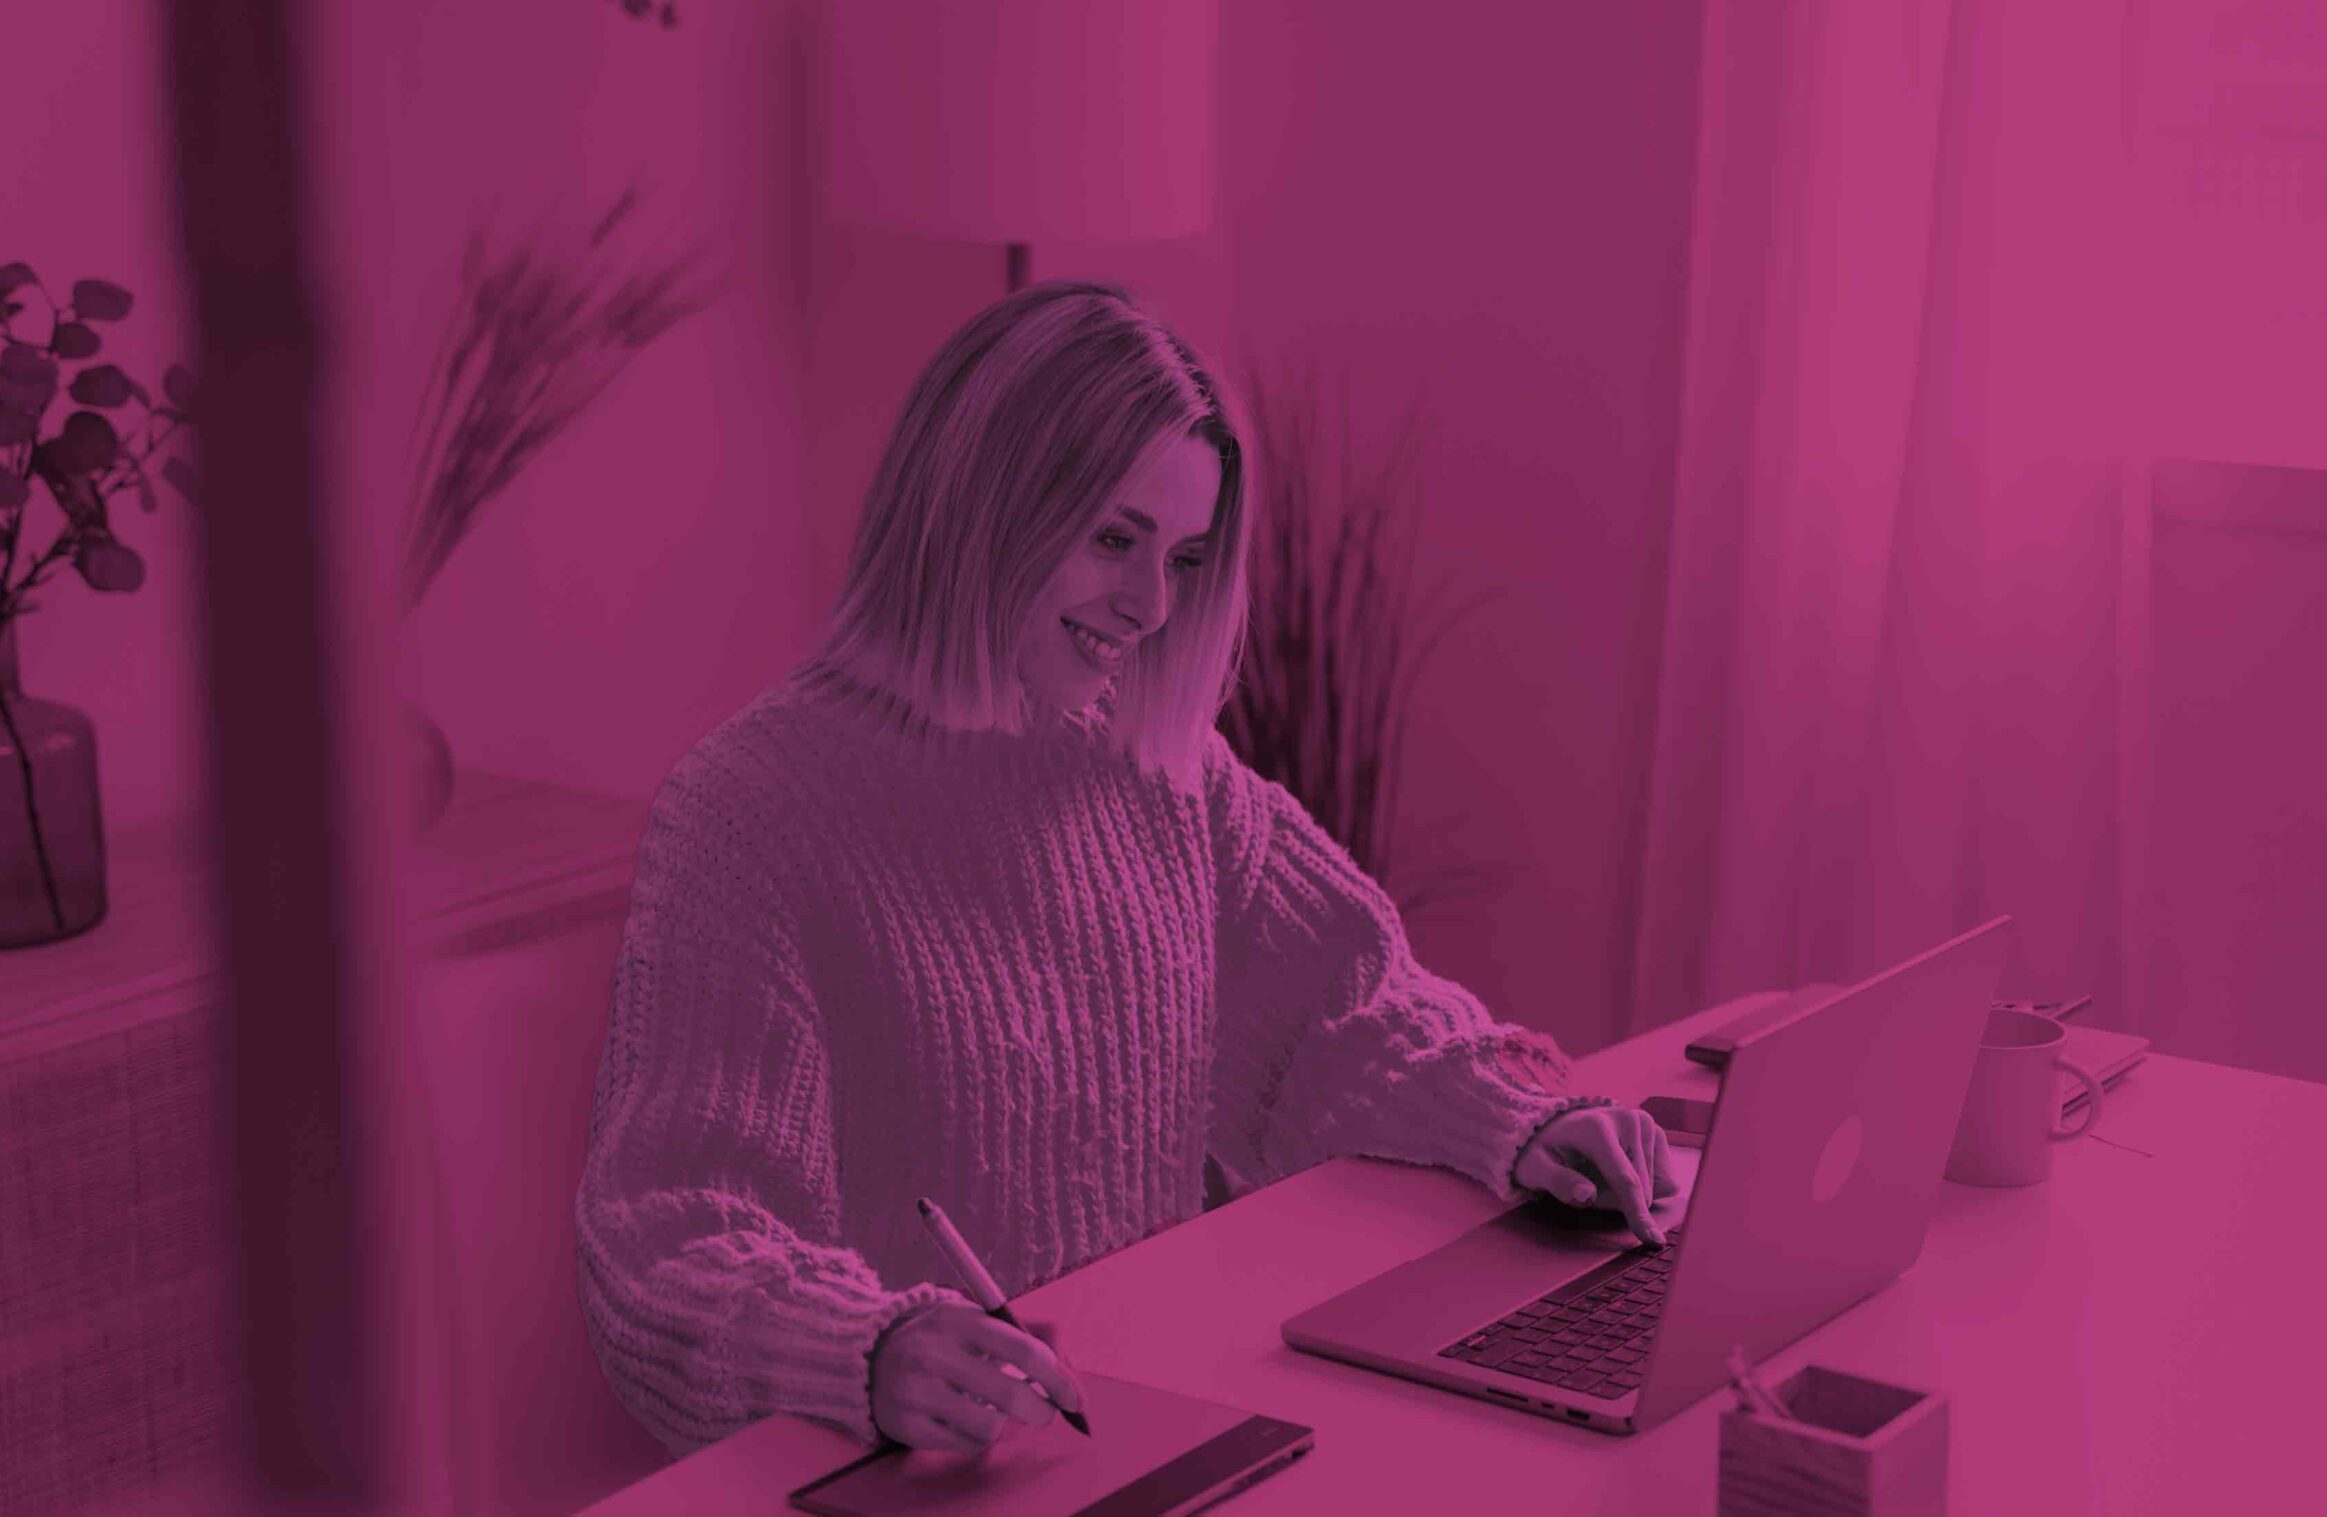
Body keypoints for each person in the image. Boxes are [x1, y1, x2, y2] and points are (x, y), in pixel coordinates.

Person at [574, 280, 1681, 1461]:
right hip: (914, 1466)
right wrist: (869, 1347)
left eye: (1186, 557)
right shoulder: (751, 812)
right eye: (1114, 539)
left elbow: (1345, 1015)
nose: (1153, 606)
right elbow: (672, 1236)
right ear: (976, 508)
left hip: (1149, 1420)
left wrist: (1516, 1114)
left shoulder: (1163, 772)